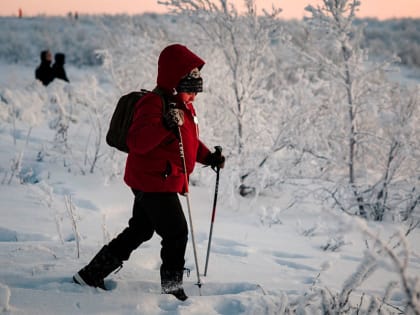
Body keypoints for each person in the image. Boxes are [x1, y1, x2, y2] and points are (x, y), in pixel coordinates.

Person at [73, 44, 225, 301]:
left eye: (196, 92)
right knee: (176, 232)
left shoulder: (181, 107)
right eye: (190, 91)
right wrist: (166, 125)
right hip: (153, 182)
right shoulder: (153, 103)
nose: (194, 97)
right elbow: (138, 142)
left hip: (159, 179)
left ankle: (90, 275)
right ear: (175, 82)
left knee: (140, 230)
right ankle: (171, 289)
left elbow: (187, 141)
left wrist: (208, 156)